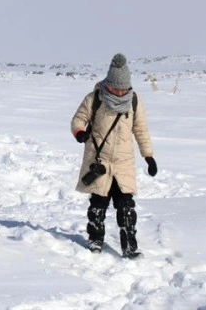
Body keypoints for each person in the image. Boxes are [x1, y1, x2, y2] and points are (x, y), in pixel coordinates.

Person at [71, 53, 157, 258]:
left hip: (123, 162)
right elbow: (78, 119)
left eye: (122, 89)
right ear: (108, 84)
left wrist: (148, 156)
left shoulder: (134, 101)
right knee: (98, 205)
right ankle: (95, 239)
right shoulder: (94, 98)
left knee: (126, 206)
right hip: (99, 160)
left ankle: (129, 246)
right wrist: (80, 133)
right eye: (115, 88)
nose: (119, 92)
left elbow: (141, 130)